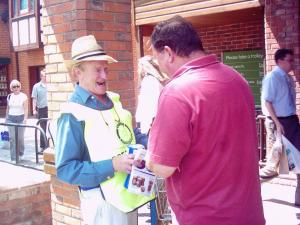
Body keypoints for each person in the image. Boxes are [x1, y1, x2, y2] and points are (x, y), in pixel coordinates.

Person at [145, 16, 265, 225]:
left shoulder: (177, 91)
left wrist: (147, 157)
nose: (160, 67)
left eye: (158, 59)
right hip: (248, 213)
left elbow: (162, 167)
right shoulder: (237, 79)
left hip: (205, 216)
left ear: (168, 52)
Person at [55, 35, 153, 225]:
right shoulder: (71, 114)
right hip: (102, 205)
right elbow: (66, 170)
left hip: (128, 197)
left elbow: (131, 135)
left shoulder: (114, 100)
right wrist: (113, 165)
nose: (105, 76)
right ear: (77, 73)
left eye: (106, 69)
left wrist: (155, 143)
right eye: (97, 70)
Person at [259, 48, 300, 206]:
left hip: (291, 120)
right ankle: (251, 186)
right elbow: (267, 102)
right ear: (279, 61)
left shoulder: (288, 79)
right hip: (279, 123)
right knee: (275, 164)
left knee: (298, 160)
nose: (292, 63)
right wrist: (277, 124)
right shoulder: (272, 78)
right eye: (290, 60)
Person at [135, 55, 168, 146]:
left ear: (144, 68)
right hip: (157, 128)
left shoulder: (149, 81)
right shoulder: (158, 81)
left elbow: (150, 108)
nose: (138, 70)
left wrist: (144, 131)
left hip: (148, 130)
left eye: (139, 67)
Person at [5, 79, 28, 161]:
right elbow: (8, 108)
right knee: (12, 138)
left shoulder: (24, 96)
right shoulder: (9, 96)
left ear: (20, 87)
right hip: (11, 118)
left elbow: (25, 109)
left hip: (20, 118)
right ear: (11, 88)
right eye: (14, 86)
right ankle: (14, 157)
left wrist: (25, 119)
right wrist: (6, 118)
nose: (16, 88)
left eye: (18, 86)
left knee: (20, 138)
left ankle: (21, 153)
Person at [31, 68, 48, 150]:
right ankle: (43, 146)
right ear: (41, 76)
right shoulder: (36, 86)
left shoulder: (51, 85)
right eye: (45, 75)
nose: (46, 77)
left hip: (51, 109)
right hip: (42, 109)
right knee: (43, 128)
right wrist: (34, 109)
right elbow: (34, 98)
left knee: (51, 127)